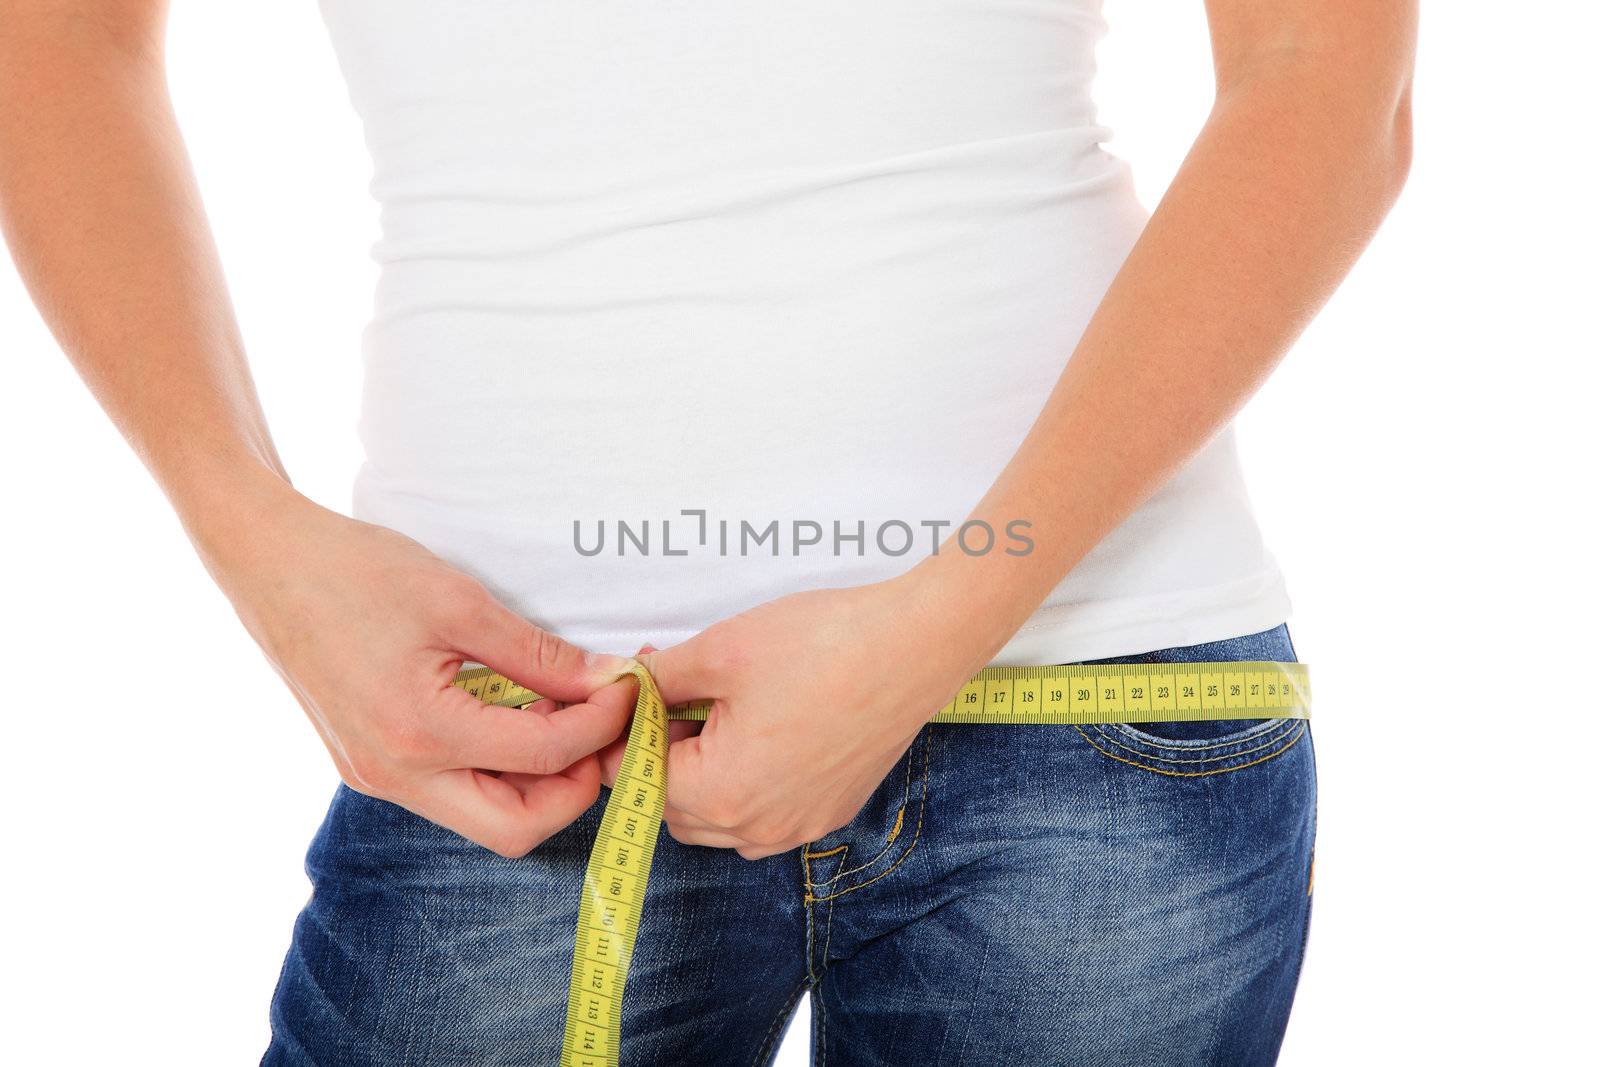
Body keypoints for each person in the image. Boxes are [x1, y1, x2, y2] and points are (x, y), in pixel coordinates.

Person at [0, 1, 1413, 1063]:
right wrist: (257, 540)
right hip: (520, 734)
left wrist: (944, 615)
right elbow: (57, 42)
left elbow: (1332, 76)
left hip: (1086, 701)